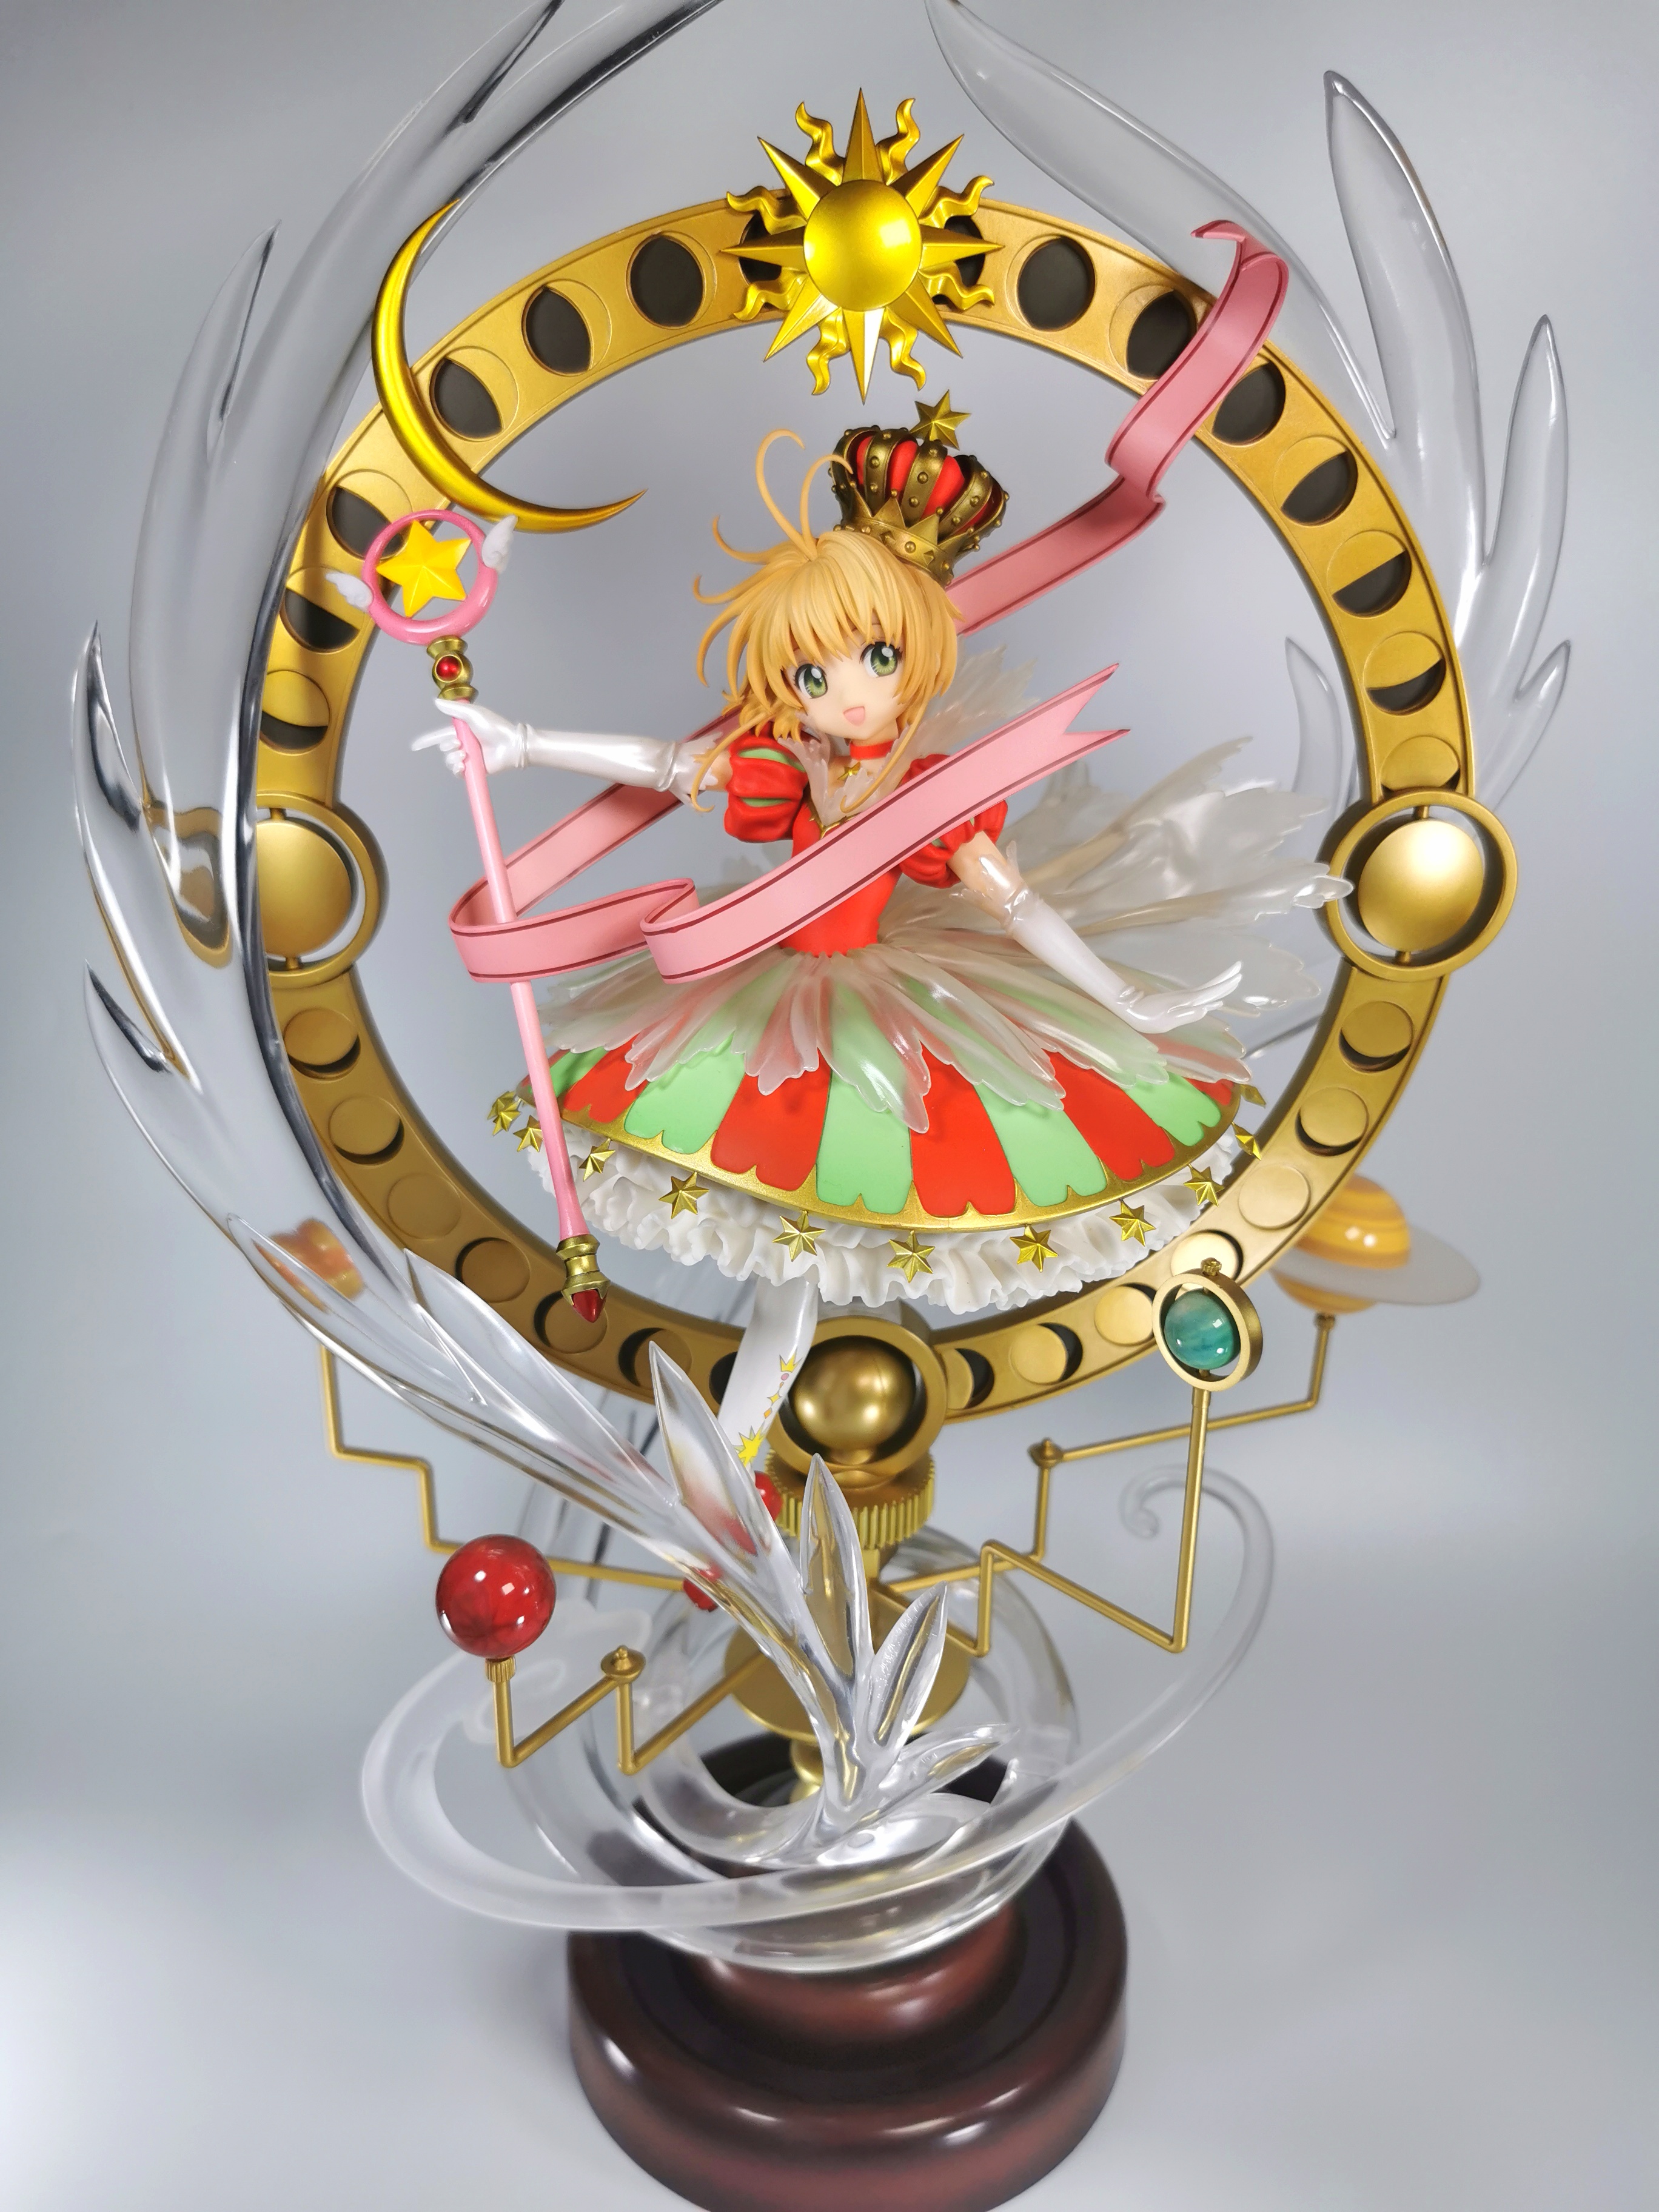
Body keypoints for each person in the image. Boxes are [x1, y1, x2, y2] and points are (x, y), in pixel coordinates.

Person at [415, 408, 1340, 1452]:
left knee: (855, 1229)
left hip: (885, 1015)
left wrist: (1121, 995)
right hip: (766, 1003)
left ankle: (738, 1472)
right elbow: (672, 767)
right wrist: (518, 740)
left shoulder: (930, 792)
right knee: (785, 1283)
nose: (847, 695)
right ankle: (719, 1479)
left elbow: (1014, 902)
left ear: (920, 651)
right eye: (814, 676)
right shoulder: (785, 763)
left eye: (876, 658)